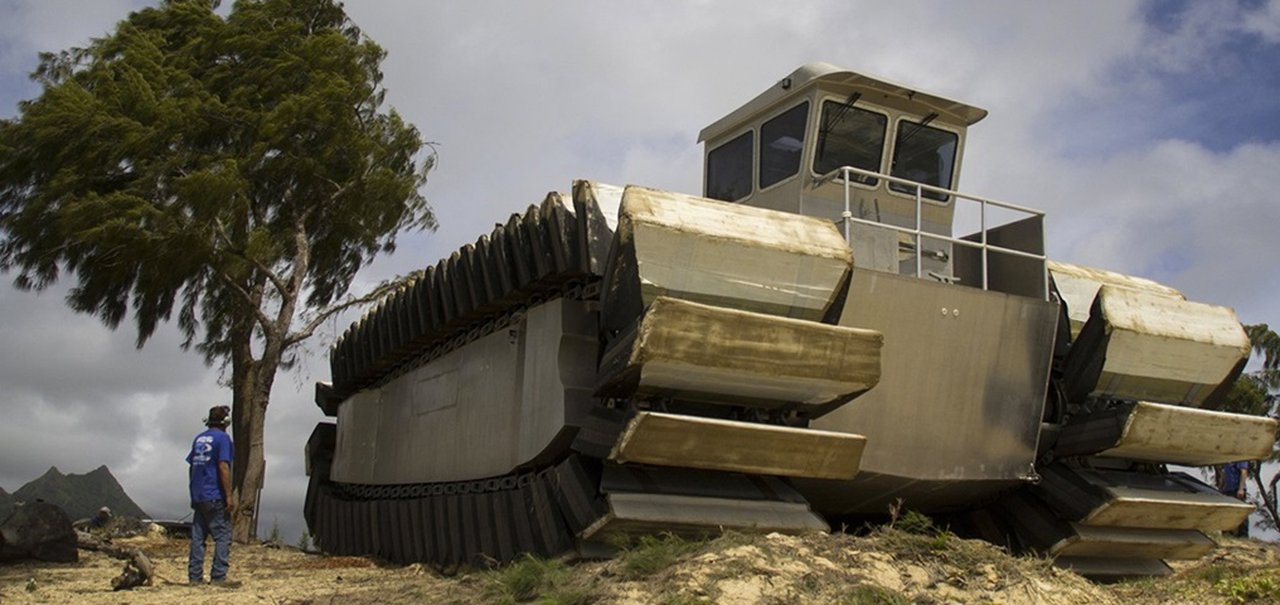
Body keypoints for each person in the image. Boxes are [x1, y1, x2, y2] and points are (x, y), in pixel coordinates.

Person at [187, 405, 235, 584]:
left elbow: (192, 466)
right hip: (214, 494)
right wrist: (228, 495)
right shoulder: (223, 439)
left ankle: (194, 577)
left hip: (199, 494)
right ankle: (218, 576)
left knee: (198, 537)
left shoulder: (199, 439)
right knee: (223, 536)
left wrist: (193, 491)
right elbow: (223, 466)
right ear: (225, 422)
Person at [1219, 460, 1251, 538]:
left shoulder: (1240, 458)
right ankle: (1227, 533)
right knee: (1226, 512)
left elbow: (1243, 472)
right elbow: (1224, 474)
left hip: (1236, 489)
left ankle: (1243, 534)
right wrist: (1221, 487)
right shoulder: (1227, 459)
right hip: (1227, 490)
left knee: (1241, 512)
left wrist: (1241, 488)